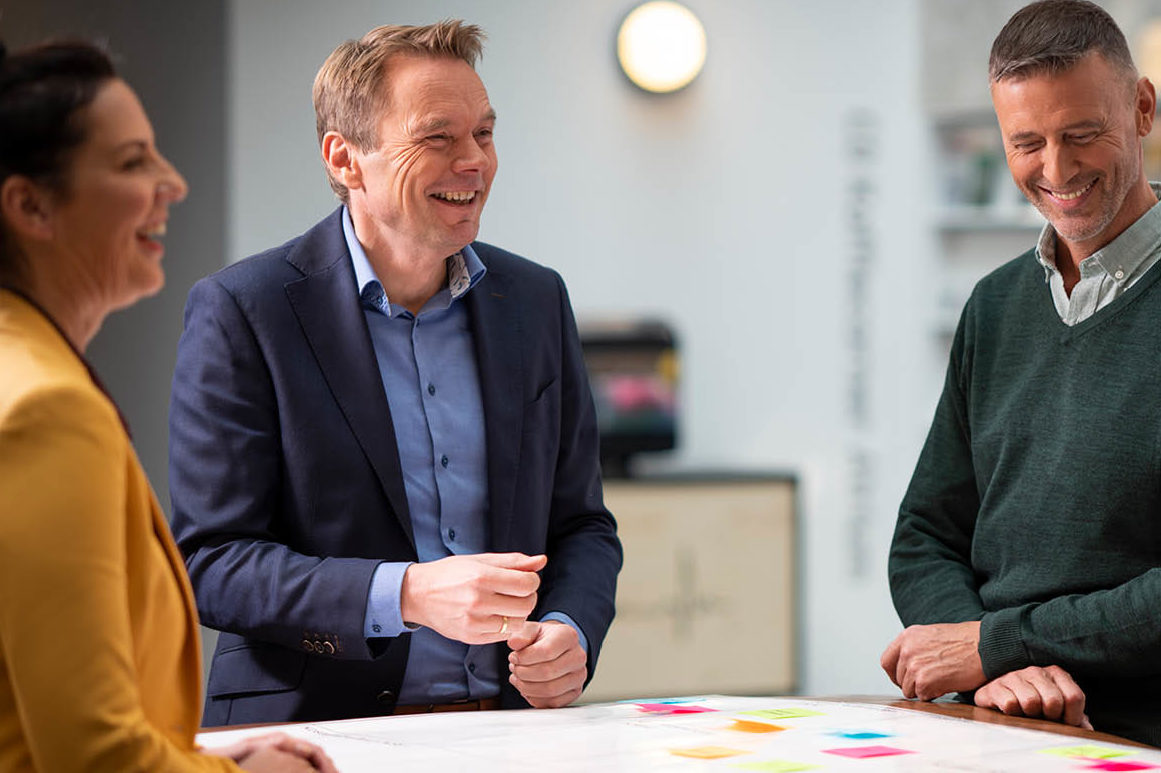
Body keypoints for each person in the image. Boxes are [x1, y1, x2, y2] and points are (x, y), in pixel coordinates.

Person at [168, 20, 622, 726]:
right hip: (313, 735)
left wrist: (571, 627)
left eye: (484, 134)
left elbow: (583, 524)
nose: (473, 162)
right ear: (345, 159)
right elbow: (211, 561)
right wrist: (406, 594)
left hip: (511, 730)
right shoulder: (244, 310)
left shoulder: (535, 300)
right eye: (437, 137)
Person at [0, 39, 337, 771]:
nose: (173, 183)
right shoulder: (48, 410)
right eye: (132, 163)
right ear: (30, 205)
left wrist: (201, 757)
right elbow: (92, 757)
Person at [880, 0, 1161, 746]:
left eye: (1081, 134)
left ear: (1141, 107)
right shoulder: (994, 304)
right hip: (992, 718)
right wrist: (990, 662)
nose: (1057, 170)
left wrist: (1002, 644)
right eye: (1026, 143)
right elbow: (924, 535)